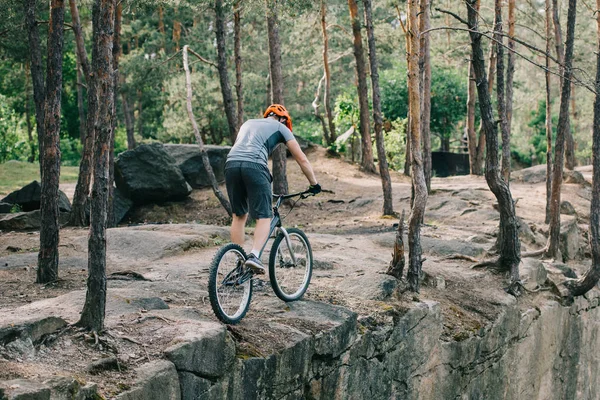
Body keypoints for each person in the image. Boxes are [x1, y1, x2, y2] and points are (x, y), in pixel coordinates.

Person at [225, 104, 321, 274]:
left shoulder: (247, 123)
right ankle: (254, 256)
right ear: (283, 119)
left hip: (231, 164)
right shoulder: (280, 127)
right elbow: (302, 159)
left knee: (239, 215)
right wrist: (314, 184)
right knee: (264, 216)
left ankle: (239, 262)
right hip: (254, 166)